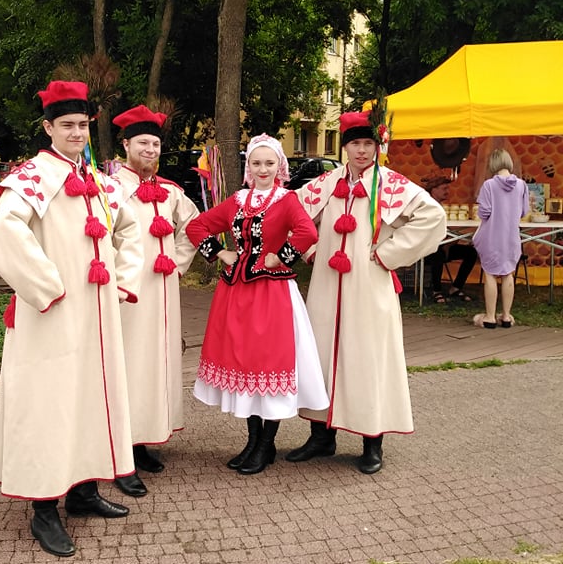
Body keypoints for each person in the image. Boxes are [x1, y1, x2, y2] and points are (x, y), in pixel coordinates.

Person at [0, 78, 144, 557]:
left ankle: (83, 491)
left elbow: (130, 230)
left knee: (90, 397)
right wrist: (46, 286)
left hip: (95, 318)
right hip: (51, 318)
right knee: (49, 405)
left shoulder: (99, 181)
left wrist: (122, 281)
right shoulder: (32, 177)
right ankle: (44, 509)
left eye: (82, 125)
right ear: (48, 127)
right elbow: (1, 233)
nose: (76, 133)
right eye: (67, 125)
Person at [287, 110, 446, 474]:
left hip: (370, 287)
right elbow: (290, 212)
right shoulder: (326, 183)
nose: (361, 151)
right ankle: (321, 436)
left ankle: (372, 442)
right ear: (345, 147)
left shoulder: (391, 185)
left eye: (368, 144)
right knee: (321, 356)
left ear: (377, 146)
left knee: (369, 359)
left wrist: (390, 254)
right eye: (355, 144)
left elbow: (433, 217)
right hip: (327, 288)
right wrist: (310, 250)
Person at [185, 134, 329, 475]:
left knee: (268, 363)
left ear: (280, 166)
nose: (263, 169)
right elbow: (197, 226)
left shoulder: (287, 200)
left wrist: (279, 257)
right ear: (248, 166)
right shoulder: (237, 200)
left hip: (272, 295)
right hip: (237, 294)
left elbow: (307, 233)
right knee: (246, 364)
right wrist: (221, 253)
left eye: (269, 163)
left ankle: (266, 444)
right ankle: (253, 442)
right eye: (256, 163)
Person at [110, 105, 200, 497]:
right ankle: (120, 451)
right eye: (142, 143)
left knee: (155, 363)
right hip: (127, 294)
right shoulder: (109, 189)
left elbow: (194, 226)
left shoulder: (171, 192)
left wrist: (177, 263)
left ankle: (142, 439)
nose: (150, 150)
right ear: (126, 145)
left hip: (162, 292)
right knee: (129, 363)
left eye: (155, 144)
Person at [472, 147, 529, 329]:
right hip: (511, 236)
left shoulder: (489, 185)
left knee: (490, 273)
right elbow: (524, 211)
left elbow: (484, 212)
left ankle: (489, 317)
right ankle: (506, 316)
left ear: (492, 164)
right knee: (507, 273)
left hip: (492, 236)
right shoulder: (522, 185)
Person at [422, 174, 478, 303]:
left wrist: (451, 241)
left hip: (444, 244)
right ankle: (436, 290)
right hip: (426, 248)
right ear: (434, 190)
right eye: (444, 188)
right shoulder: (426, 206)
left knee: (471, 253)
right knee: (437, 253)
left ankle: (456, 287)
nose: (447, 191)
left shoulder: (443, 207)